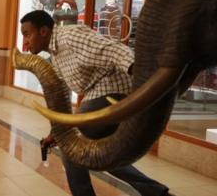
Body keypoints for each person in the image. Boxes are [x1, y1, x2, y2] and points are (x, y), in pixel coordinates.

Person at [20, 10, 170, 196]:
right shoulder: (55, 56)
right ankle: (156, 192)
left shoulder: (70, 36)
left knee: (71, 148)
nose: (25, 41)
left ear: (43, 31)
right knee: (98, 155)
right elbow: (64, 101)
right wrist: (56, 133)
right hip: (96, 94)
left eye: (27, 34)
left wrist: (145, 81)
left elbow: (112, 49)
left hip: (114, 90)